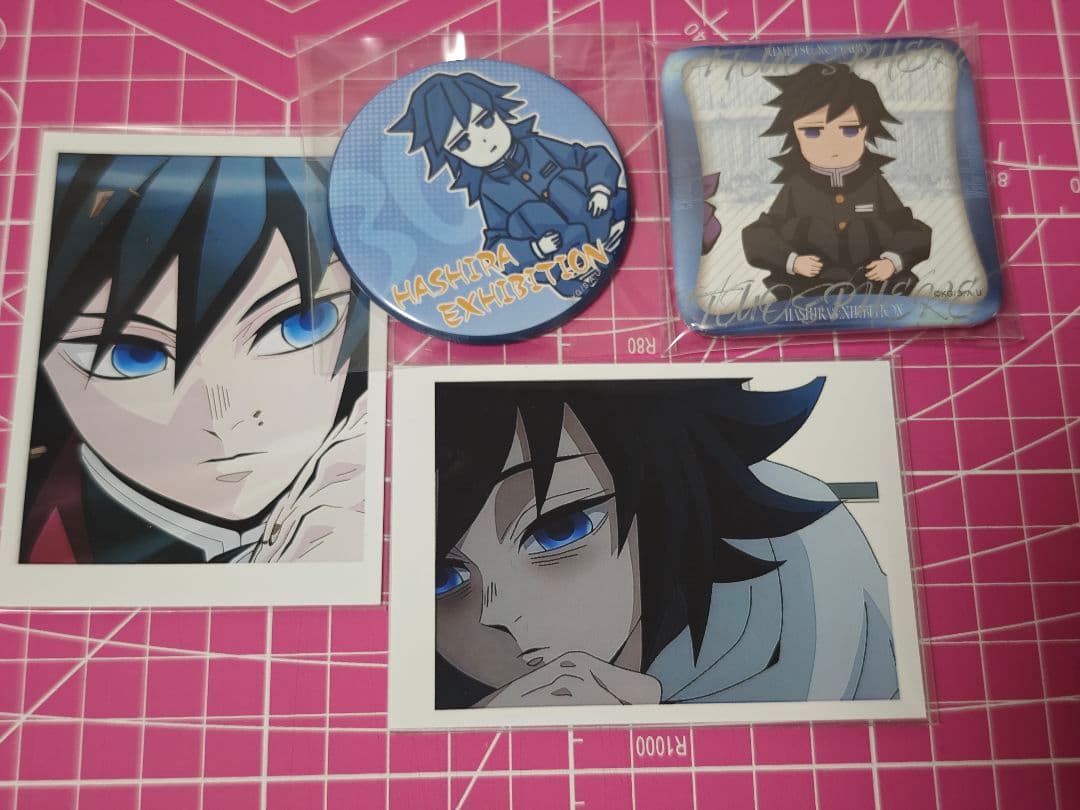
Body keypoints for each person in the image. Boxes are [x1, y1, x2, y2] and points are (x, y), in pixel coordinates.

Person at [433, 379, 899, 708]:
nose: (496, 612)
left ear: (661, 490)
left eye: (560, 530)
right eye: (442, 575)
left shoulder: (804, 577)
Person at [20, 154, 369, 564]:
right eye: (134, 356)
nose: (225, 419)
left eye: (299, 323)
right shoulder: (34, 534)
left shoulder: (379, 446)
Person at [389, 71, 628, 298]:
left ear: (498, 112)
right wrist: (536, 249)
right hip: (577, 265)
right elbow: (496, 249)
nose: (484, 139)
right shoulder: (489, 193)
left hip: (615, 221)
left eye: (485, 121)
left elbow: (593, 156)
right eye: (463, 143)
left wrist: (601, 189)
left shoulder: (537, 146)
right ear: (453, 155)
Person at [741, 62, 931, 299]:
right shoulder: (796, 187)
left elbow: (913, 231)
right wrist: (793, 262)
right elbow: (759, 236)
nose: (832, 147)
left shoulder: (873, 183)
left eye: (849, 130)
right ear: (795, 133)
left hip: (873, 293)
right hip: (809, 295)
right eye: (812, 132)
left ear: (866, 130)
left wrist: (892, 262)